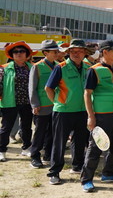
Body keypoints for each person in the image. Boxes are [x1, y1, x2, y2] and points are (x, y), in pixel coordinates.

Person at [44, 39, 92, 185]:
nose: (76, 54)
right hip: (63, 111)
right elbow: (48, 88)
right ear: (69, 52)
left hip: (82, 110)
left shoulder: (88, 67)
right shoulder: (61, 67)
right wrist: (58, 102)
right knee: (59, 142)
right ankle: (54, 172)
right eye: (73, 51)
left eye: (80, 51)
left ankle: (77, 166)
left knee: (79, 140)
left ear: (85, 53)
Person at [81, 40, 113, 192]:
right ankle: (86, 179)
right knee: (95, 147)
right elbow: (87, 94)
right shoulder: (94, 70)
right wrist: (90, 116)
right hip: (101, 115)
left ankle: (109, 173)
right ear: (105, 52)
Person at [28, 39, 60, 168]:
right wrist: (34, 104)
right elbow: (32, 87)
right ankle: (35, 156)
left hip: (56, 105)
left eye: (56, 51)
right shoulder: (37, 66)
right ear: (45, 52)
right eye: (53, 51)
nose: (56, 53)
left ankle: (48, 155)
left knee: (52, 132)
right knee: (39, 132)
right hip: (42, 105)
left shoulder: (59, 65)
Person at [0, 41, 34, 162]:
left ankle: (26, 148)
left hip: (27, 103)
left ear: (27, 54)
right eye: (15, 52)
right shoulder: (4, 68)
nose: (19, 54)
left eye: (22, 51)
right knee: (6, 128)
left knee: (26, 127)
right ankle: (2, 150)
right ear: (12, 55)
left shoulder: (32, 68)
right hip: (9, 102)